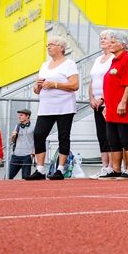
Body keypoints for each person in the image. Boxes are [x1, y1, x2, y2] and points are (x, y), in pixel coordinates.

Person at [25, 35, 79, 180]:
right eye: (47, 45)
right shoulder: (44, 65)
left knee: (63, 136)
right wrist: (37, 87)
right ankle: (40, 169)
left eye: (52, 44)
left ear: (61, 48)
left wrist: (55, 84)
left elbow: (75, 85)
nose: (48, 47)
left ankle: (60, 169)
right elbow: (38, 87)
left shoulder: (69, 64)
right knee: (38, 135)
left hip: (64, 106)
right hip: (46, 106)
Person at [100, 31, 128, 179]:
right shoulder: (113, 60)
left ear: (122, 45)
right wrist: (107, 106)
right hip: (111, 107)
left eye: (113, 42)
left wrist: (123, 102)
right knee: (113, 139)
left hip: (122, 107)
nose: (110, 44)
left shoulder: (127, 59)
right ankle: (115, 169)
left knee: (126, 138)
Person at [88, 33, 114, 177]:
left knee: (110, 134)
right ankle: (104, 166)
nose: (102, 40)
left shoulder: (113, 58)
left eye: (106, 38)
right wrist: (91, 98)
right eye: (101, 38)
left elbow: (112, 80)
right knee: (101, 134)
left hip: (108, 101)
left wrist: (103, 99)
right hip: (96, 102)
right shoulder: (98, 59)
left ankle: (112, 166)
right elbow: (92, 81)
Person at [8, 109, 34, 180]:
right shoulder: (17, 126)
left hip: (27, 156)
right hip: (16, 155)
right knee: (8, 176)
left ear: (27, 116)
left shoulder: (33, 126)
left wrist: (33, 153)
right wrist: (13, 136)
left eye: (21, 115)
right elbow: (13, 141)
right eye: (19, 115)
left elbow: (37, 141)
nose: (19, 117)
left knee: (25, 178)